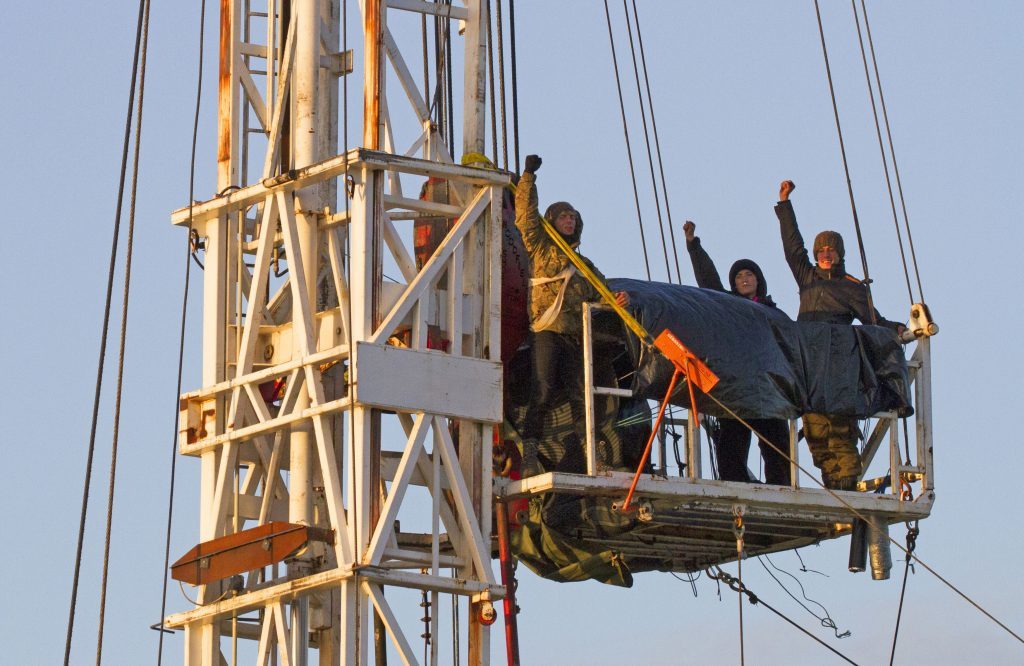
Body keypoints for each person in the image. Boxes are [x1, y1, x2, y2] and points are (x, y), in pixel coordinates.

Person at [775, 179, 905, 490]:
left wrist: (896, 328)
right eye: (822, 250)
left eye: (831, 250)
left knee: (839, 428)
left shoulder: (851, 287)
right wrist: (784, 205)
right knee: (815, 428)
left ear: (839, 254)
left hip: (836, 368)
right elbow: (793, 247)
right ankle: (832, 481)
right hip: (809, 364)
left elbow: (872, 319)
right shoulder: (808, 277)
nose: (825, 254)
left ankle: (846, 482)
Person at [514, 154, 629, 473]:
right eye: (564, 216)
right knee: (544, 389)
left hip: (574, 337)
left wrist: (619, 299)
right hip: (547, 331)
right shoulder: (540, 247)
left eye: (573, 218)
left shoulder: (584, 266)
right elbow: (525, 217)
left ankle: (593, 454)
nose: (569, 221)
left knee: (582, 396)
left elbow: (603, 294)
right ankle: (529, 454)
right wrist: (528, 178)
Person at [683, 220, 791, 485]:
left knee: (775, 442)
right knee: (731, 440)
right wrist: (693, 245)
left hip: (766, 387)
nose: (744, 278)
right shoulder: (729, 308)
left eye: (749, 275)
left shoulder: (774, 314)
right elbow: (708, 281)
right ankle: (734, 483)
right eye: (739, 276)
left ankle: (780, 488)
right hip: (738, 386)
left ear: (758, 281)